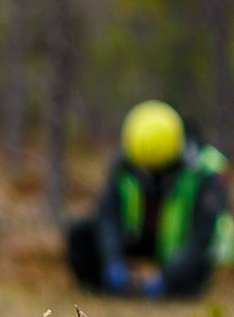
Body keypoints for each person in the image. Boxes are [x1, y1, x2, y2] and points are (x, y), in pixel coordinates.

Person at [65, 101, 232, 299]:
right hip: (139, 240)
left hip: (181, 249)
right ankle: (113, 290)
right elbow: (107, 215)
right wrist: (112, 259)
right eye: (145, 169)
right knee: (80, 234)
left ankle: (171, 292)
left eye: (159, 169)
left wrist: (168, 277)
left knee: (200, 262)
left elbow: (202, 238)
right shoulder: (125, 164)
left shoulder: (205, 170)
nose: (152, 176)